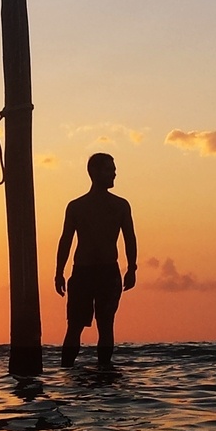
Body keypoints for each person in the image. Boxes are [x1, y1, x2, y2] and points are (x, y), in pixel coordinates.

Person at [54, 152, 137, 369]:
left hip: (109, 272)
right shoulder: (76, 206)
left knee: (106, 324)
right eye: (109, 170)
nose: (114, 174)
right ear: (95, 173)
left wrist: (132, 268)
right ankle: (66, 372)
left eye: (114, 169)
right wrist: (58, 272)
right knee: (74, 327)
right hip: (82, 272)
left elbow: (130, 238)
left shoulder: (121, 205)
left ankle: (104, 371)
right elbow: (65, 240)